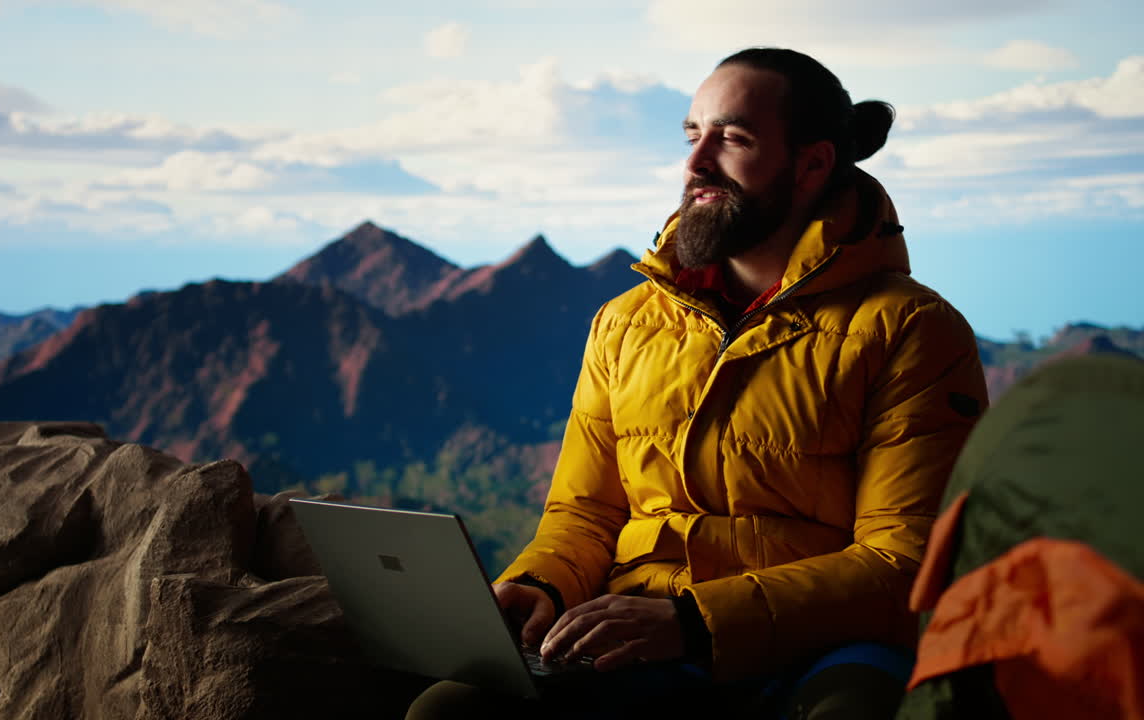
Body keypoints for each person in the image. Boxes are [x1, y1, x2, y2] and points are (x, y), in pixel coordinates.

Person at [408, 46, 988, 720]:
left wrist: (694, 622)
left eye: (732, 138)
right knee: (448, 709)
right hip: (640, 630)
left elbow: (905, 562)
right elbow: (585, 514)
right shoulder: (624, 324)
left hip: (824, 647)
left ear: (812, 165)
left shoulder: (911, 330)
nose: (695, 162)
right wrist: (543, 586)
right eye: (692, 133)